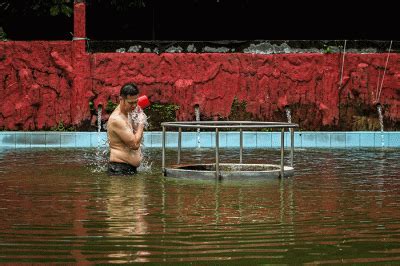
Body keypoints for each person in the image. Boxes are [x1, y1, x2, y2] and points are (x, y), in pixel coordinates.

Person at [107, 82, 146, 175]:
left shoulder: (129, 110)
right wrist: (141, 122)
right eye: (131, 103)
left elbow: (135, 133)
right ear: (121, 99)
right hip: (119, 169)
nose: (134, 106)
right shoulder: (117, 120)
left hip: (128, 168)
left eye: (136, 102)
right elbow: (135, 145)